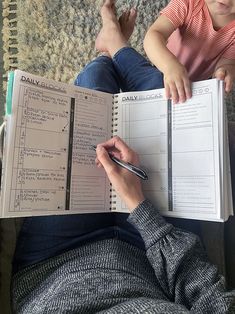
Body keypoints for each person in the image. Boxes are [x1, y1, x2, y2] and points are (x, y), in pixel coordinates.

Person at [11, 1, 235, 313]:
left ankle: (109, 49)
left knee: (95, 90)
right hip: (155, 258)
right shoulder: (189, 6)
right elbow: (208, 295)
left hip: (56, 262)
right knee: (163, 89)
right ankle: (114, 47)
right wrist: (140, 208)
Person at [144, 0, 235, 104]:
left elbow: (229, 61)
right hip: (163, 67)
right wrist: (169, 66)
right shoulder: (187, 3)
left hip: (199, 81)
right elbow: (153, 35)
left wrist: (223, 71)